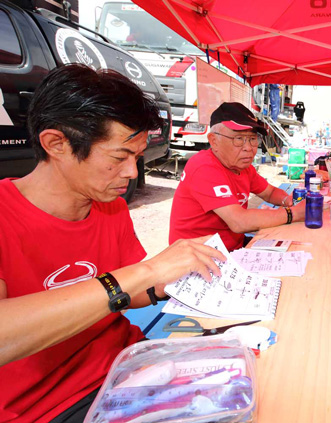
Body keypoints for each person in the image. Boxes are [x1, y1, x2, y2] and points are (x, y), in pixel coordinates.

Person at [0, 64, 226, 423]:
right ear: (56, 143)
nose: (133, 173)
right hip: (45, 407)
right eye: (120, 157)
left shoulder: (110, 207)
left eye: (137, 157)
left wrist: (168, 282)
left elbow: (130, 291)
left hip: (127, 367)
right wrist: (147, 271)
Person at [169, 102, 307, 251]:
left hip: (230, 249)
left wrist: (290, 201)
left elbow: (270, 192)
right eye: (239, 139)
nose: (248, 148)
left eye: (253, 139)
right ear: (214, 141)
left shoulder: (242, 167)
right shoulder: (204, 167)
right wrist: (292, 213)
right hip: (198, 258)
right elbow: (239, 221)